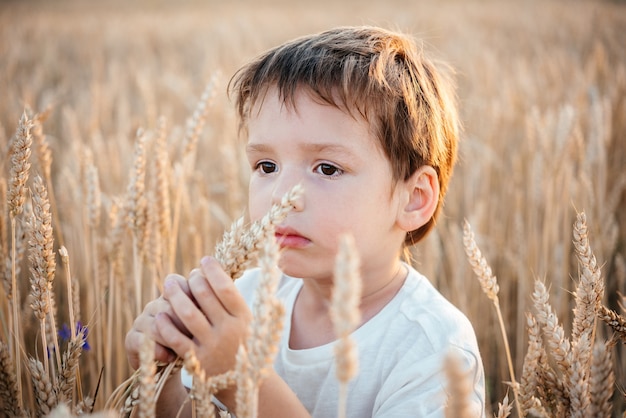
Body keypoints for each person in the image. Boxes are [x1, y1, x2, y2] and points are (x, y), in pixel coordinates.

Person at [125, 25, 485, 417]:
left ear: (414, 199)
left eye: (327, 168)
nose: (282, 195)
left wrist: (246, 379)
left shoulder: (434, 348)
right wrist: (160, 380)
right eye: (266, 165)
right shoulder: (247, 300)